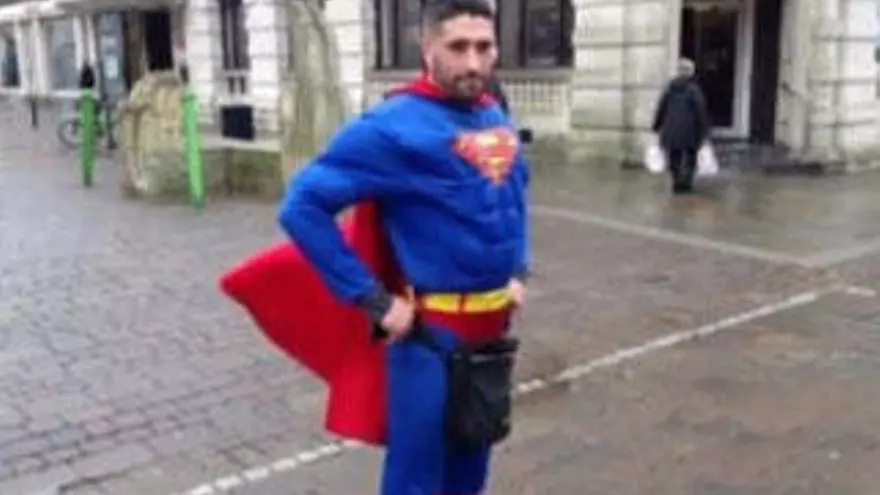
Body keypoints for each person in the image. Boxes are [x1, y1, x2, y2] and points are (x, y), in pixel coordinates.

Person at [276, 1, 529, 494]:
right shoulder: (391, 126)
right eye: (458, 47)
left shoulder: (492, 112)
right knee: (416, 481)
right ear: (427, 47)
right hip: (431, 340)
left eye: (484, 47)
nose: (473, 62)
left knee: (469, 474)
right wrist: (374, 300)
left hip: (491, 337)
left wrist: (518, 268)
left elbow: (514, 192)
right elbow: (302, 207)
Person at [651, 58, 711, 194]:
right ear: (691, 72)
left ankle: (677, 180)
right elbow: (700, 111)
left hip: (671, 129)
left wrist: (656, 126)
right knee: (691, 156)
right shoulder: (694, 90)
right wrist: (704, 131)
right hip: (690, 130)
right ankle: (687, 182)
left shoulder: (670, 88)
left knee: (674, 156)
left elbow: (662, 108)